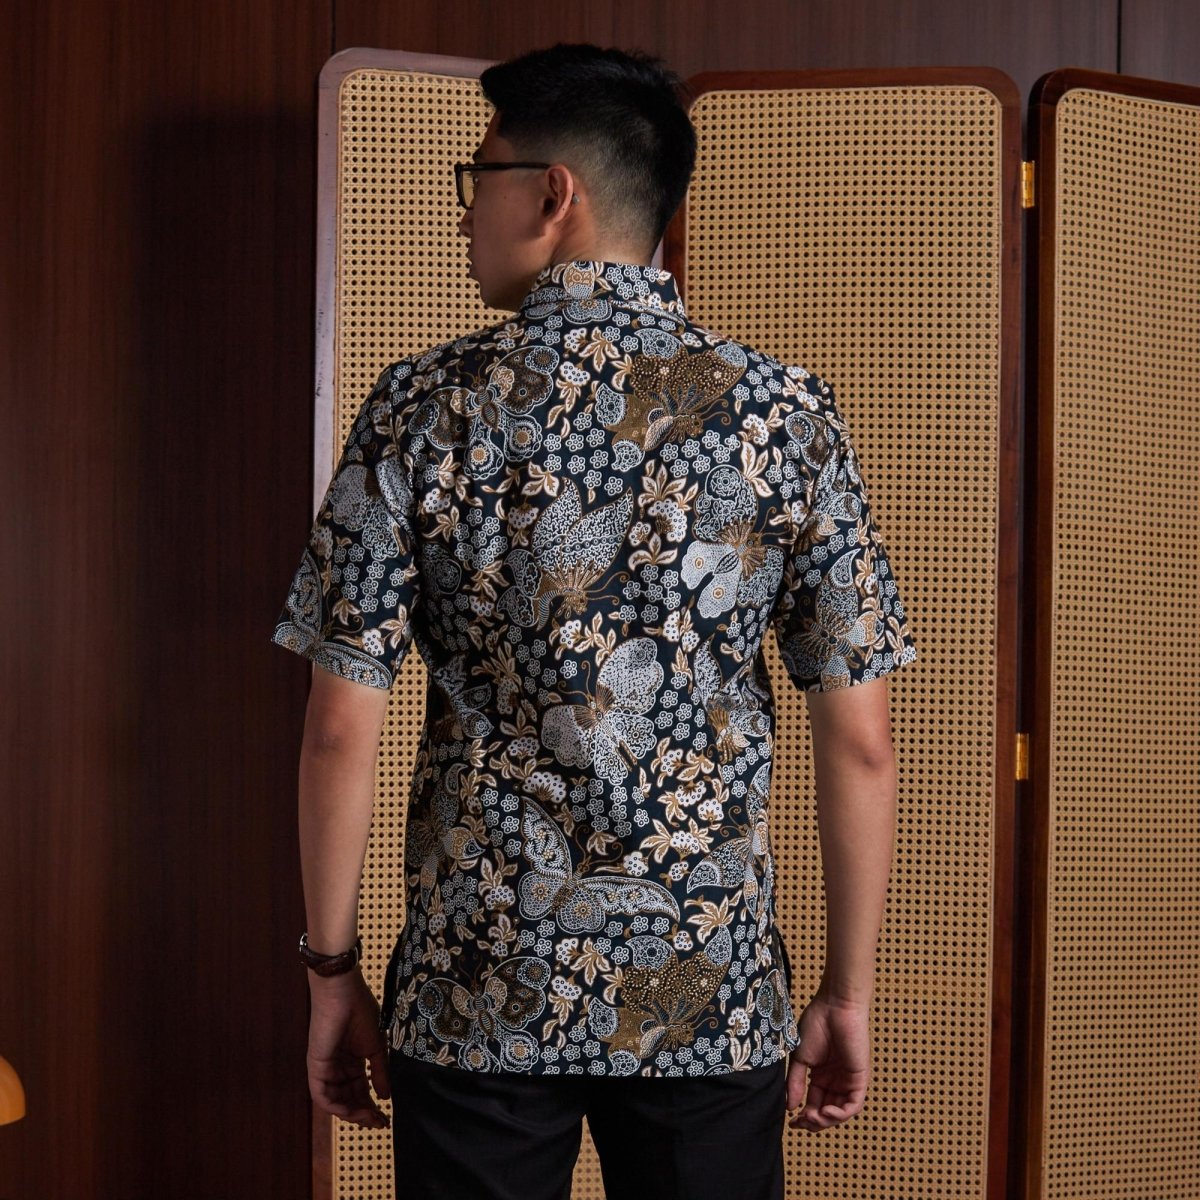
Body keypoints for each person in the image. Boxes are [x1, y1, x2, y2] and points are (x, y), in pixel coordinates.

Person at [271, 40, 918, 1200]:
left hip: (479, 983)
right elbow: (860, 741)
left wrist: (332, 972)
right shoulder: (786, 415)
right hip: (706, 993)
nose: (463, 214)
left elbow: (335, 728)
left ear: (552, 192)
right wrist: (847, 990)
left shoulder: (422, 407)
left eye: (477, 180)